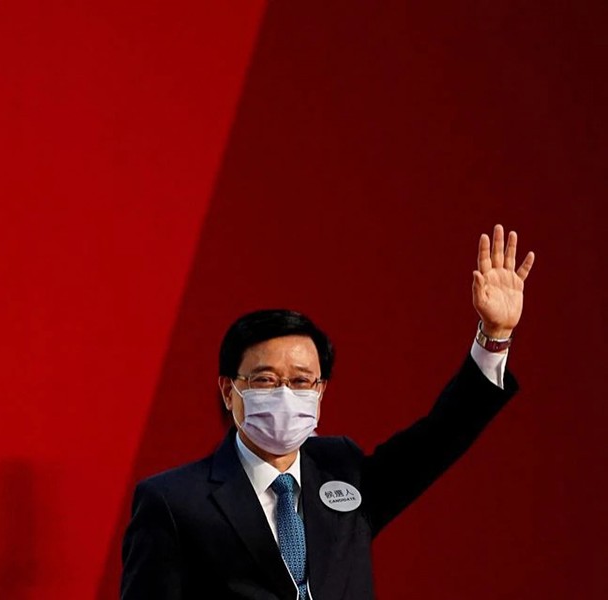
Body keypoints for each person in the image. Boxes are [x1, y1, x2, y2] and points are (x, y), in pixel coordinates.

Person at [120, 225, 535, 600]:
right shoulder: (174, 501)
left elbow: (438, 440)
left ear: (321, 391)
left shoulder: (343, 470)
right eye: (265, 380)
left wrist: (494, 337)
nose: (285, 393)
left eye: (301, 381)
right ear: (229, 390)